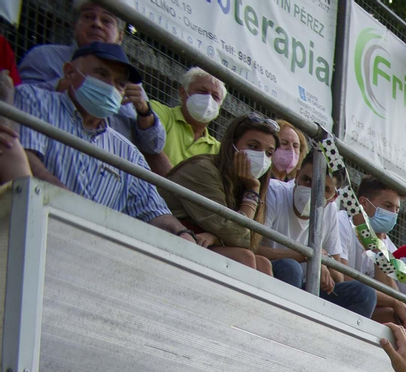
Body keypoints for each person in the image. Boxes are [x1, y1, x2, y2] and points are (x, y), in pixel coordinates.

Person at [16, 43, 193, 242]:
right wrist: (73, 209)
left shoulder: (128, 152)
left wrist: (183, 234)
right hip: (32, 232)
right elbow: (24, 158)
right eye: (101, 74)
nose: (110, 86)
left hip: (93, 255)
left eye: (119, 83)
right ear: (69, 72)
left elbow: (154, 212)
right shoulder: (33, 100)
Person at [19, 1, 165, 158]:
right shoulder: (44, 57)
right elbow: (18, 104)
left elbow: (154, 146)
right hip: (49, 154)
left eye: (106, 20)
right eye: (88, 17)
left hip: (110, 172)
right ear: (75, 26)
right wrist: (68, 84)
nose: (96, 24)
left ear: (120, 36)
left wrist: (144, 111)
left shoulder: (131, 84)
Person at [333, 175, 406, 356]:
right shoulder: (342, 221)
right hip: (335, 296)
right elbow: (344, 279)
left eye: (397, 210)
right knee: (391, 315)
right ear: (364, 204)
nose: (393, 214)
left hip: (367, 303)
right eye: (387, 206)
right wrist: (394, 302)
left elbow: (392, 290)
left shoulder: (387, 244)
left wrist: (377, 246)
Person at [258, 154, 378, 318]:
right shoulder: (274, 192)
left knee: (365, 294)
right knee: (291, 268)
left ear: (334, 197)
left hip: (307, 287)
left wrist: (321, 260)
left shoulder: (330, 211)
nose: (312, 191)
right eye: (307, 180)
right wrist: (308, 255)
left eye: (324, 189)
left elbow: (338, 275)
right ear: (297, 175)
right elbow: (252, 247)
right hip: (271, 276)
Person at [167, 112, 280, 274]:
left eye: (269, 153)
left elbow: (251, 241)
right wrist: (253, 191)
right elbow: (239, 237)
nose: (262, 158)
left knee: (263, 264)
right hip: (168, 234)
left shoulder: (242, 182)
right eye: (253, 147)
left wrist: (217, 237)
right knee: (244, 257)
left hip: (200, 241)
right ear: (231, 145)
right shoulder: (203, 169)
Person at [146, 67, 225, 174]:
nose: (208, 100)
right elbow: (150, 148)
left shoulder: (218, 149)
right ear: (183, 92)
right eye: (202, 91)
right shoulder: (158, 111)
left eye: (215, 97)